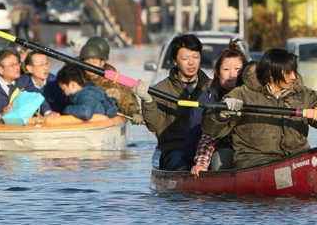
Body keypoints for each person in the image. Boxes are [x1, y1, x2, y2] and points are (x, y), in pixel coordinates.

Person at [201, 47, 317, 170]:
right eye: (287, 72)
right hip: (254, 162)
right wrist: (222, 113)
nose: (293, 76)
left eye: (294, 71)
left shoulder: (304, 95)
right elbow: (211, 129)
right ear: (271, 75)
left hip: (296, 159)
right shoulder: (242, 94)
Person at [134, 33, 210, 170]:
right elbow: (154, 125)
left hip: (206, 150)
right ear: (175, 60)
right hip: (175, 149)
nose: (191, 62)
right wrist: (147, 100)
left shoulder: (211, 88)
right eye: (185, 58)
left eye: (195, 57)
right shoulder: (161, 89)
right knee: (179, 163)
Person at [187, 41, 249, 176]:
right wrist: (200, 164)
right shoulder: (207, 99)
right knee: (223, 156)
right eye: (226, 69)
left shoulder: (255, 95)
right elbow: (206, 137)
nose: (232, 74)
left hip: (250, 155)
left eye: (238, 70)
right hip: (220, 156)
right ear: (218, 74)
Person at [78, 38, 142, 123]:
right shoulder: (76, 73)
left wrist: (133, 112)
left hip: (103, 117)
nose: (91, 65)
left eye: (94, 61)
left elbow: (125, 96)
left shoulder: (112, 79)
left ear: (102, 62)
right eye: (88, 61)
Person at [20, 51, 65, 116]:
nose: (46, 68)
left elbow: (60, 106)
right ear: (29, 68)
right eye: (41, 65)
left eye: (47, 63)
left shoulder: (56, 84)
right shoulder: (22, 82)